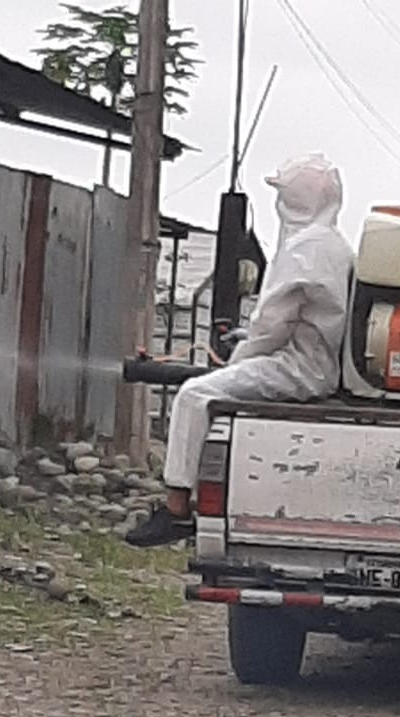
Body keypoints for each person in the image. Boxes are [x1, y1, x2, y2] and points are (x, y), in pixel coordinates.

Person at [127, 154, 354, 548]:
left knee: (194, 395)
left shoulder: (305, 248)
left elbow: (271, 324)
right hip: (316, 361)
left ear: (296, 198)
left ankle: (176, 508)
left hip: (298, 366)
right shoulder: (335, 245)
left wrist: (237, 360)